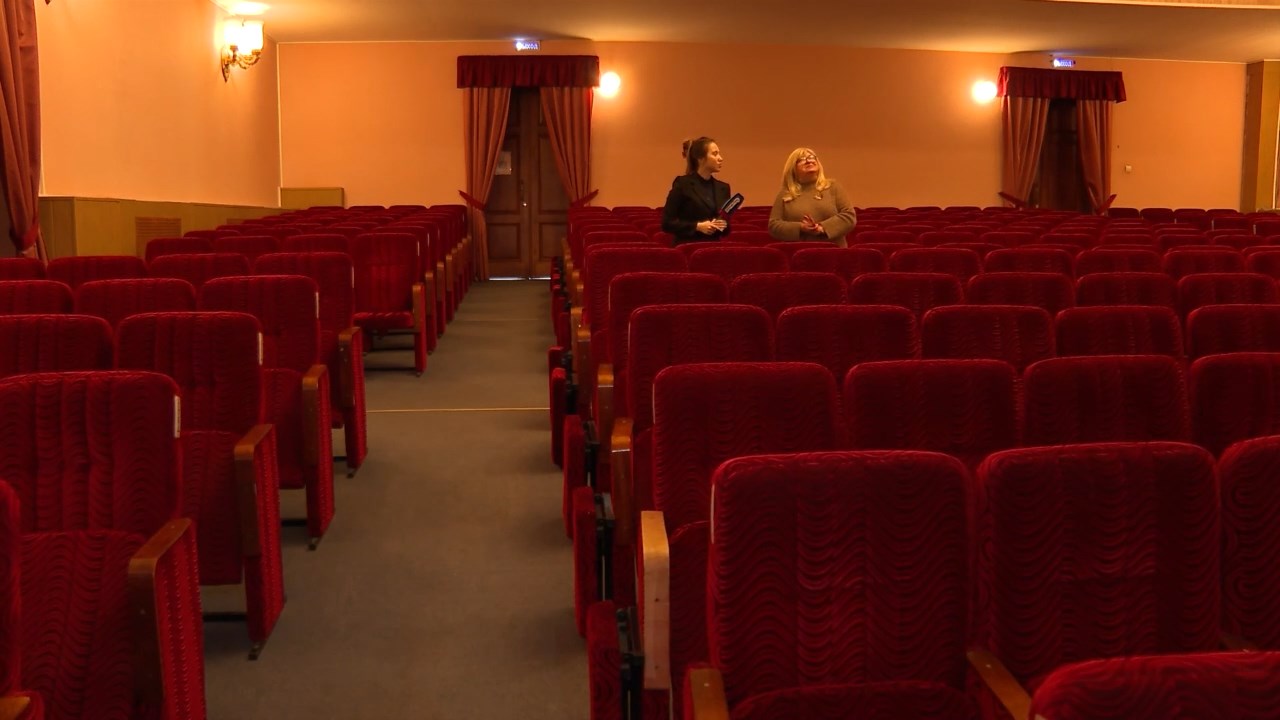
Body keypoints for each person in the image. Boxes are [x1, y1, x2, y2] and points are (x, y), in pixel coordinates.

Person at [768, 147, 857, 247]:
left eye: (812, 157)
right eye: (802, 159)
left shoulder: (833, 187)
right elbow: (774, 226)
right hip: (797, 251)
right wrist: (801, 227)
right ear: (792, 168)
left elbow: (849, 216)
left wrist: (821, 228)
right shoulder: (785, 193)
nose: (809, 161)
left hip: (834, 251)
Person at [662, 136, 731, 244]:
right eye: (715, 154)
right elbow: (667, 223)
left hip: (713, 246)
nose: (720, 158)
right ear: (700, 158)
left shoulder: (723, 188)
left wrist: (722, 225)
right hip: (687, 246)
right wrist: (697, 226)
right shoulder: (682, 184)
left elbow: (726, 229)